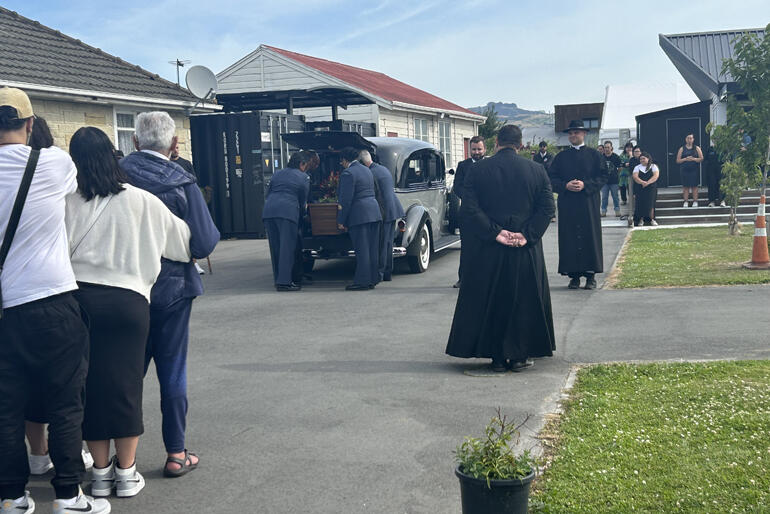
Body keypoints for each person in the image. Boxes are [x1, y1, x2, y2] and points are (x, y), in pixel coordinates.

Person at [0, 87, 110, 513]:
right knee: (66, 401)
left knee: (6, 406)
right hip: (52, 299)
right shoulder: (54, 163)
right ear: (29, 125)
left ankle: (12, 496)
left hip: (4, 309)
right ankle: (68, 495)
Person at [67, 126, 192, 498]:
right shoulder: (142, 200)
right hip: (130, 303)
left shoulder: (65, 201)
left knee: (89, 388)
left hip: (79, 302)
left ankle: (100, 473)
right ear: (113, 154)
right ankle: (126, 473)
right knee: (125, 387)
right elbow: (183, 245)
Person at [119, 111, 219, 478]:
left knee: (125, 373)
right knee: (172, 370)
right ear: (175, 145)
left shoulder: (116, 174)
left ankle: (115, 456)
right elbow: (206, 240)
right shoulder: (182, 182)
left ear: (134, 142)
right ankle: (176, 452)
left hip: (124, 287)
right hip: (171, 289)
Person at [445, 124, 555, 373]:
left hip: (489, 247)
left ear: (496, 142)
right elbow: (547, 208)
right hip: (524, 247)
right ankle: (519, 356)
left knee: (491, 299)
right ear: (520, 144)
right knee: (523, 299)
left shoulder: (478, 170)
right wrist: (527, 235)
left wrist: (495, 232)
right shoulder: (537, 170)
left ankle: (496, 357)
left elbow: (470, 209)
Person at [24, 116, 95, 478]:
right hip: (56, 293)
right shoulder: (57, 173)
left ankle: (36, 457)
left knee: (22, 388)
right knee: (66, 389)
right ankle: (70, 479)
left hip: (13, 300)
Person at [548, 120, 606, 290]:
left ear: (584, 134)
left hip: (588, 202)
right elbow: (551, 178)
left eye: (576, 133)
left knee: (590, 235)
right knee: (569, 236)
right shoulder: (561, 157)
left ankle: (590, 275)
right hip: (568, 203)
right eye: (571, 133)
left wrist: (586, 185)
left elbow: (603, 176)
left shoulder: (595, 155)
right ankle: (573, 276)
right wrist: (564, 185)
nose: (573, 135)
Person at [262, 151, 311, 291]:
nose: (306, 168)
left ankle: (279, 279)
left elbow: (269, 192)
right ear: (302, 164)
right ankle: (285, 282)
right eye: (306, 165)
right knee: (287, 248)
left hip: (269, 210)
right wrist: (303, 215)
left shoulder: (277, 173)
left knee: (276, 248)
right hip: (287, 212)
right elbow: (303, 200)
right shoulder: (304, 177)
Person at [336, 147, 382, 290]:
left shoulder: (348, 173)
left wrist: (341, 220)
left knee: (362, 250)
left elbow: (346, 200)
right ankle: (373, 278)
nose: (341, 164)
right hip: (374, 212)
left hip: (359, 214)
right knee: (372, 249)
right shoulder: (366, 170)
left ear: (344, 160)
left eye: (341, 161)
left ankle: (362, 281)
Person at [359, 150, 405, 282]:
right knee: (388, 243)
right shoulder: (382, 169)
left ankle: (379, 274)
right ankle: (387, 272)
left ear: (363, 163)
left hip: (383, 211)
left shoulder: (370, 173)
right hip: (392, 209)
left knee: (381, 245)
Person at [452, 136, 485, 288]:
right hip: (467, 213)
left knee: (486, 247)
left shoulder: (489, 165)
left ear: (484, 149)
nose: (476, 152)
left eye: (479, 149)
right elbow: (457, 186)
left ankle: (485, 278)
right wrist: (470, 198)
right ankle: (463, 278)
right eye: (474, 149)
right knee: (467, 248)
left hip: (487, 213)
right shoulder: (463, 166)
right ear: (469, 150)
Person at [632, 152, 660, 226]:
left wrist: (648, 182)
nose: (642, 160)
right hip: (640, 188)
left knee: (651, 204)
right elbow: (635, 177)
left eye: (643, 158)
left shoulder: (653, 166)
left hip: (651, 188)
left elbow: (656, 176)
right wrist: (642, 182)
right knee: (640, 204)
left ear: (648, 159)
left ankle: (652, 219)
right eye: (641, 159)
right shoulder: (637, 167)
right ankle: (641, 220)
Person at [676, 133, 703, 207]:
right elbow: (678, 160)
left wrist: (693, 159)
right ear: (685, 139)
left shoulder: (697, 148)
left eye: (691, 138)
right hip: (684, 170)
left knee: (694, 186)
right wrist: (685, 159)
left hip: (694, 170)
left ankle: (695, 201)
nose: (689, 140)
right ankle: (686, 201)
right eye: (688, 138)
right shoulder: (682, 148)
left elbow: (701, 158)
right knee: (685, 186)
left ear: (693, 139)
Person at [600, 141, 622, 217]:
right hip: (604, 181)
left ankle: (617, 211)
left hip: (614, 181)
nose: (606, 149)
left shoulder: (616, 157)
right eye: (605, 147)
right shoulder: (601, 157)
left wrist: (615, 174)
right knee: (604, 197)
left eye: (608, 147)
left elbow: (620, 168)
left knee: (615, 197)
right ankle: (603, 211)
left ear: (611, 148)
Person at [705, 142, 726, 207]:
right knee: (711, 185)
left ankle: (722, 201)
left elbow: (728, 159)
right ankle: (712, 201)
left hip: (721, 169)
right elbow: (706, 159)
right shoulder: (709, 149)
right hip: (711, 170)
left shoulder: (724, 149)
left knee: (722, 184)